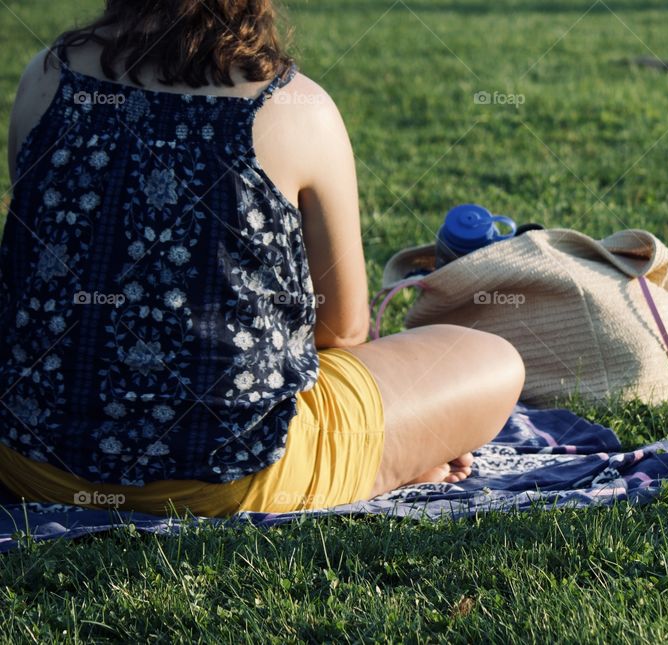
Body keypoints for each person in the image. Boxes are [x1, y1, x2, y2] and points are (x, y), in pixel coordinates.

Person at [0, 0, 524, 516]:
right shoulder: (298, 110)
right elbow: (341, 332)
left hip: (31, 460)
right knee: (494, 361)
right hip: (235, 478)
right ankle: (390, 462)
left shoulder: (45, 78)